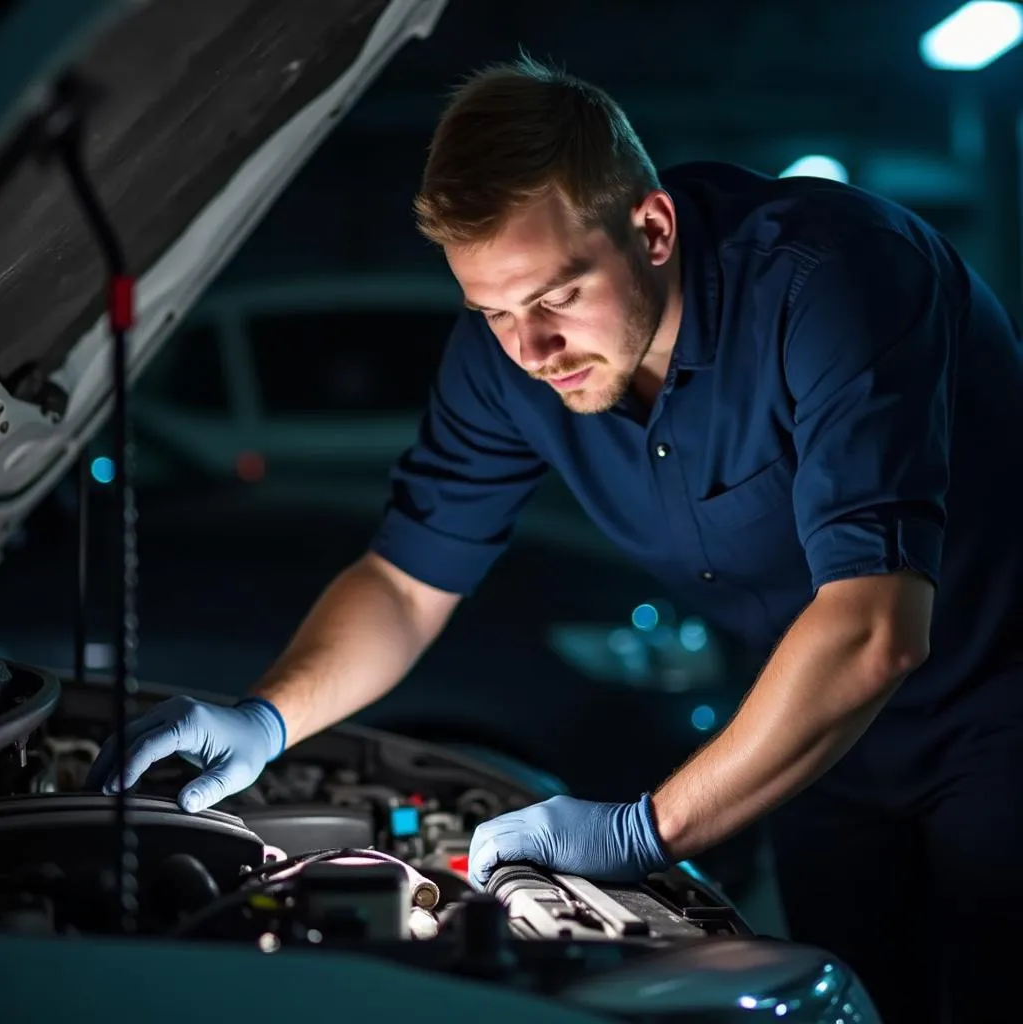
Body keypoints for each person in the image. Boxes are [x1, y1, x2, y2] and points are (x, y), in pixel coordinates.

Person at [87, 56, 1023, 1022]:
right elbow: (408, 584)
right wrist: (268, 719)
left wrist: (640, 831)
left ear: (651, 229)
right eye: (491, 312)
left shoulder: (836, 278)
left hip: (1000, 708)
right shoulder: (506, 363)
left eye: (554, 298)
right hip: (822, 743)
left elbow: (875, 630)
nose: (530, 352)